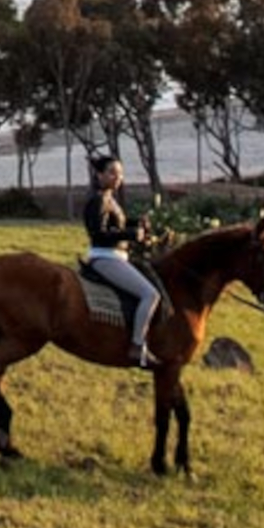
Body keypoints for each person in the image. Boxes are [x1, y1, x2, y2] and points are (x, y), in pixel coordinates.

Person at [83, 156, 160, 369]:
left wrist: (137, 224)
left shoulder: (109, 197)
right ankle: (137, 346)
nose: (118, 178)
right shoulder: (98, 199)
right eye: (112, 173)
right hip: (105, 257)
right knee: (150, 294)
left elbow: (117, 224)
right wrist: (131, 234)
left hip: (115, 256)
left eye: (120, 173)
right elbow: (98, 233)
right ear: (99, 175)